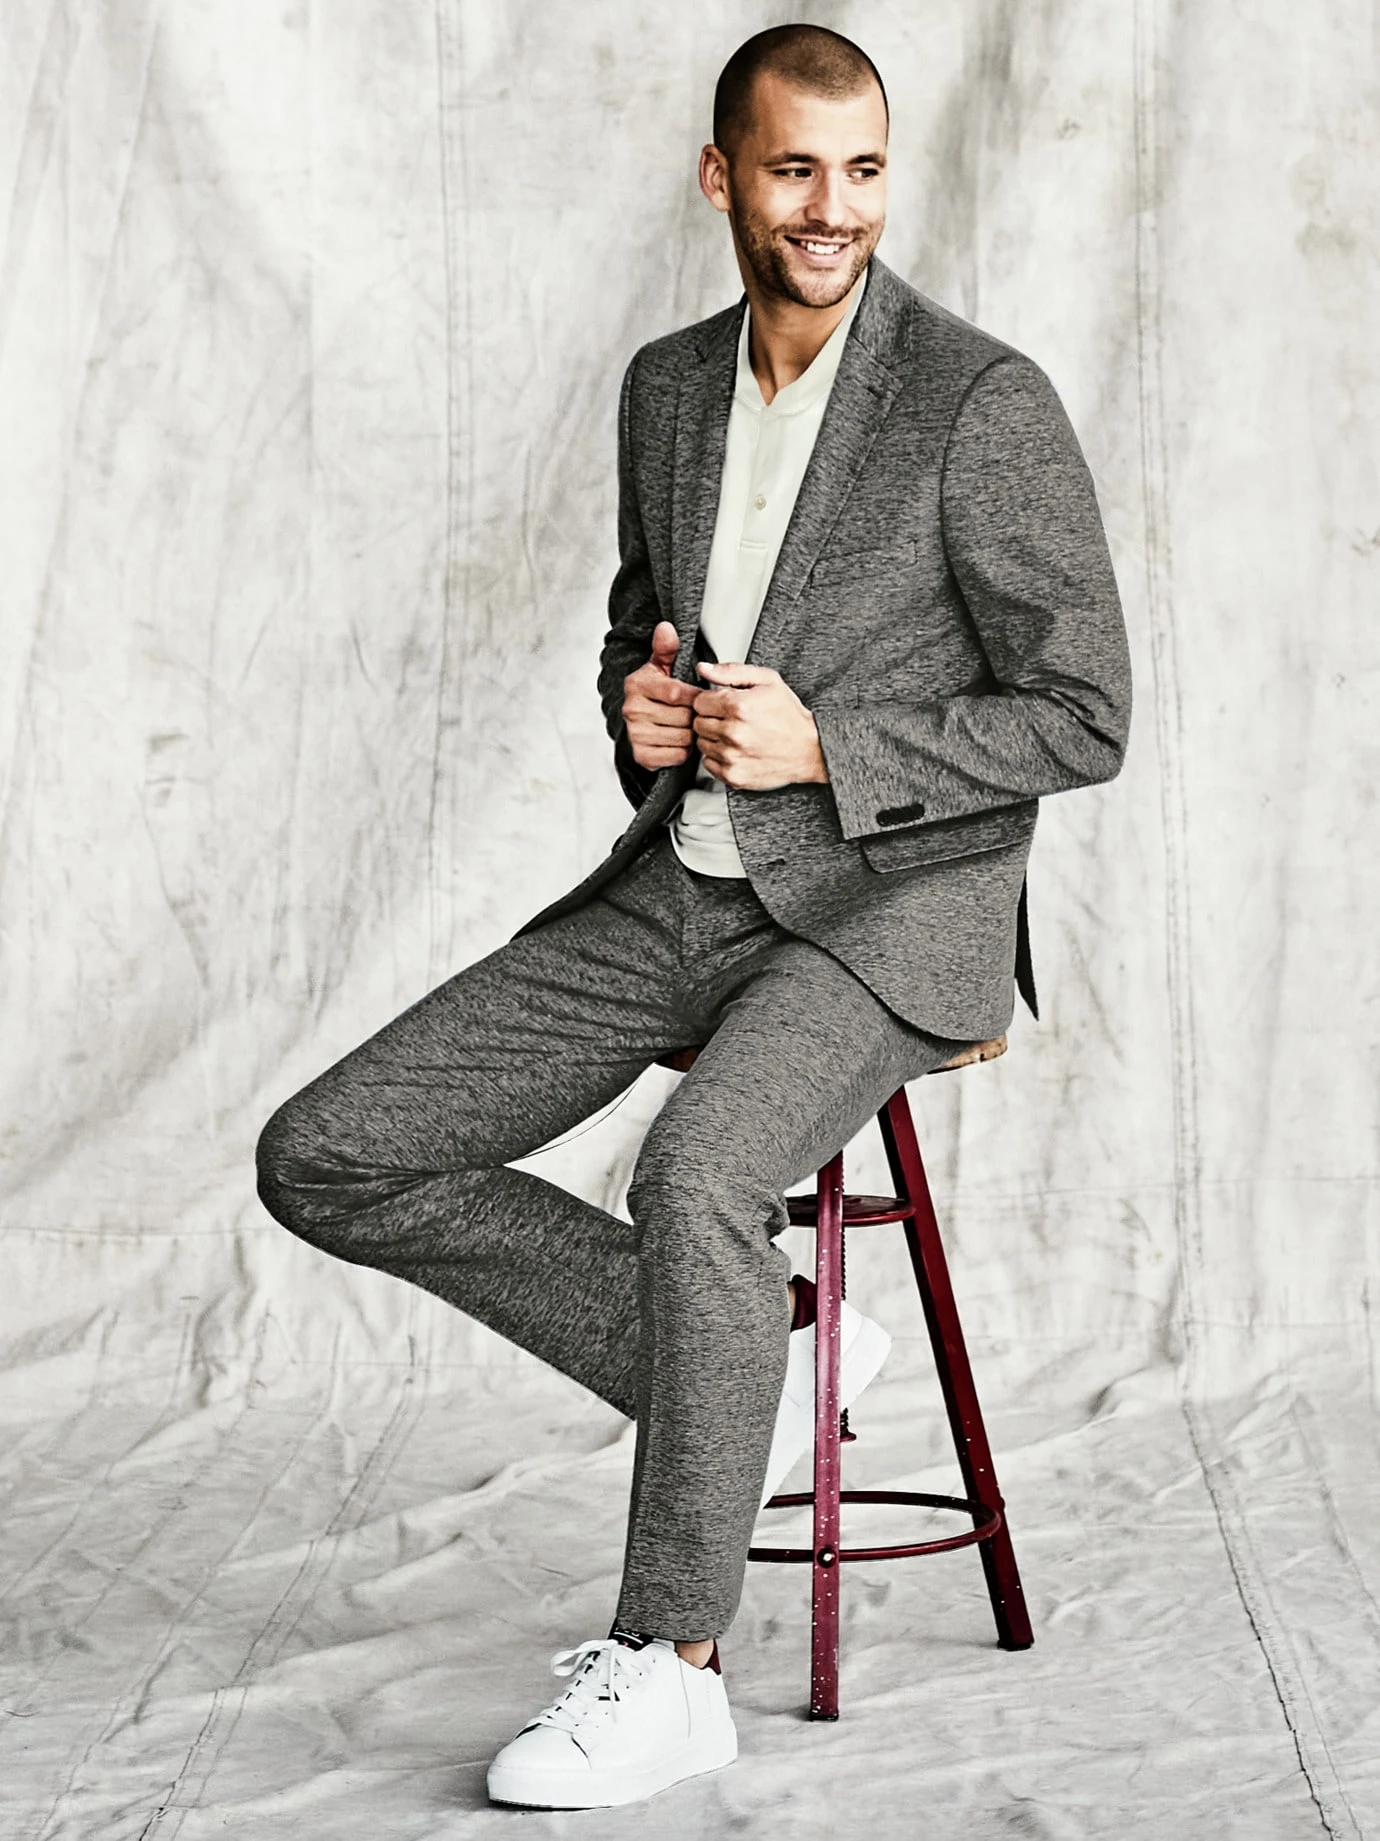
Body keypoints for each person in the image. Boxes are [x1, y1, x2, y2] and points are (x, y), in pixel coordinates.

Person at [255, 22, 1131, 1813]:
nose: (834, 209)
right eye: (795, 168)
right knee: (331, 1152)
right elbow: (639, 623)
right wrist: (642, 711)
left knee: (697, 1177)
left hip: (888, 909)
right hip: (685, 882)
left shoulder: (980, 401)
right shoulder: (667, 387)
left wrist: (836, 746)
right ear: (722, 176)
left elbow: (1083, 715)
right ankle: (773, 1354)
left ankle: (671, 1667)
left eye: (864, 169)